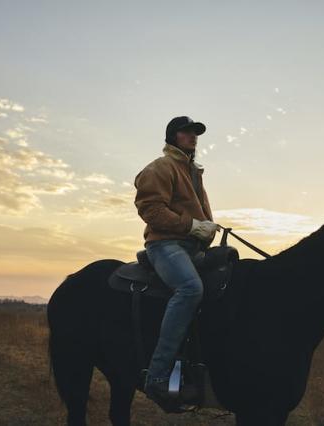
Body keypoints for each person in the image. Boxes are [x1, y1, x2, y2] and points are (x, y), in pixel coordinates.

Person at [133, 115, 219, 407]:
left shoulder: (194, 172)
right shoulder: (160, 168)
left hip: (192, 247)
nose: (193, 137)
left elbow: (199, 216)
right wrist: (192, 226)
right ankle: (157, 377)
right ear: (172, 136)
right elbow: (151, 210)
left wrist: (206, 229)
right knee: (190, 289)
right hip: (165, 244)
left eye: (195, 133)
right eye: (186, 132)